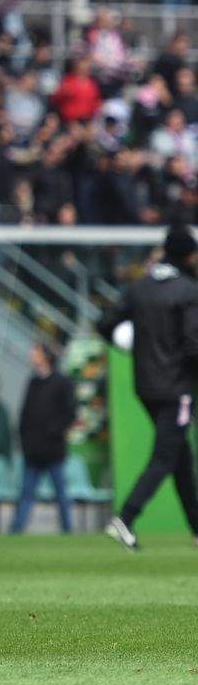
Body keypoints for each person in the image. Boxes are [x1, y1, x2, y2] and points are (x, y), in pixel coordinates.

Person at [98, 224, 198, 551]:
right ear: (188, 254)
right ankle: (125, 517)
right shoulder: (188, 290)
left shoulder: (139, 288)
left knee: (181, 456)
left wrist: (126, 342)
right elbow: (193, 344)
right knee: (166, 455)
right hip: (178, 388)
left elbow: (106, 324)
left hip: (146, 387)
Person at [10, 342, 76, 534]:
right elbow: (25, 414)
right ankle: (16, 529)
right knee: (26, 493)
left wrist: (54, 432)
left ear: (45, 356)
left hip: (53, 450)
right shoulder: (33, 382)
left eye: (35, 352)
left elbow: (70, 413)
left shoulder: (62, 382)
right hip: (33, 451)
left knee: (61, 493)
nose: (32, 355)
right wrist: (24, 439)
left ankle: (67, 529)